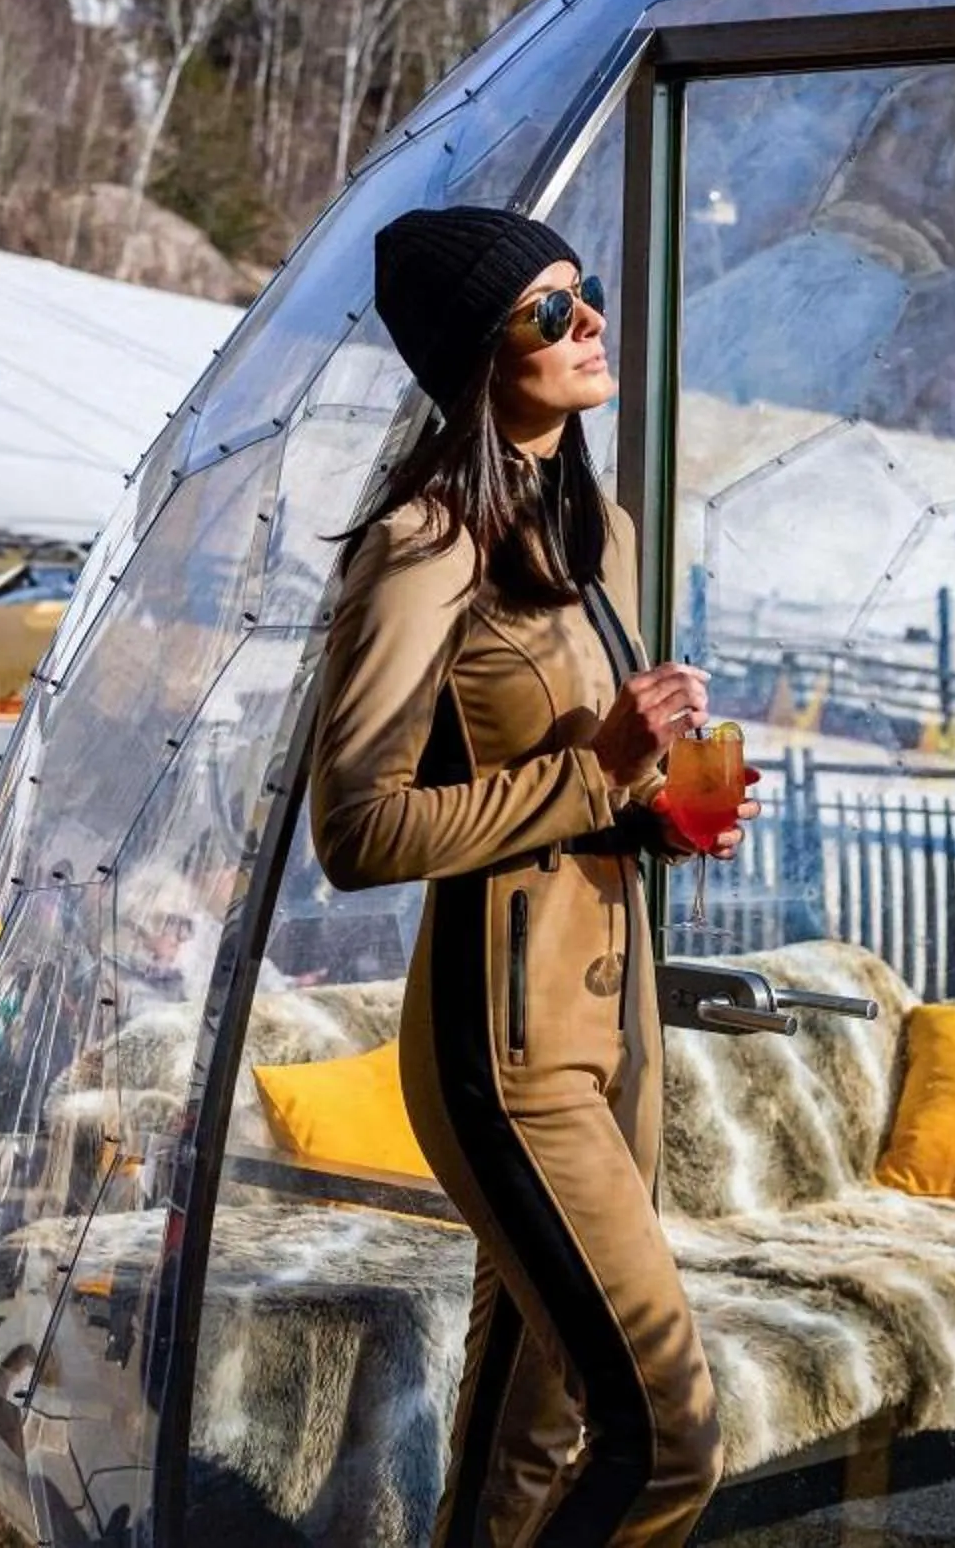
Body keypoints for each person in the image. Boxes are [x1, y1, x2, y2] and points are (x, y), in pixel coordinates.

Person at [310, 204, 750, 1548]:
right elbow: (359, 828)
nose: (586, 324)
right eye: (547, 311)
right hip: (500, 1044)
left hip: (614, 1023)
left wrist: (670, 806)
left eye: (588, 295)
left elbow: (595, 777)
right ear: (476, 359)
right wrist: (600, 769)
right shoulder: (425, 545)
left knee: (537, 1428)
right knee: (669, 1432)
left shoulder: (601, 530)